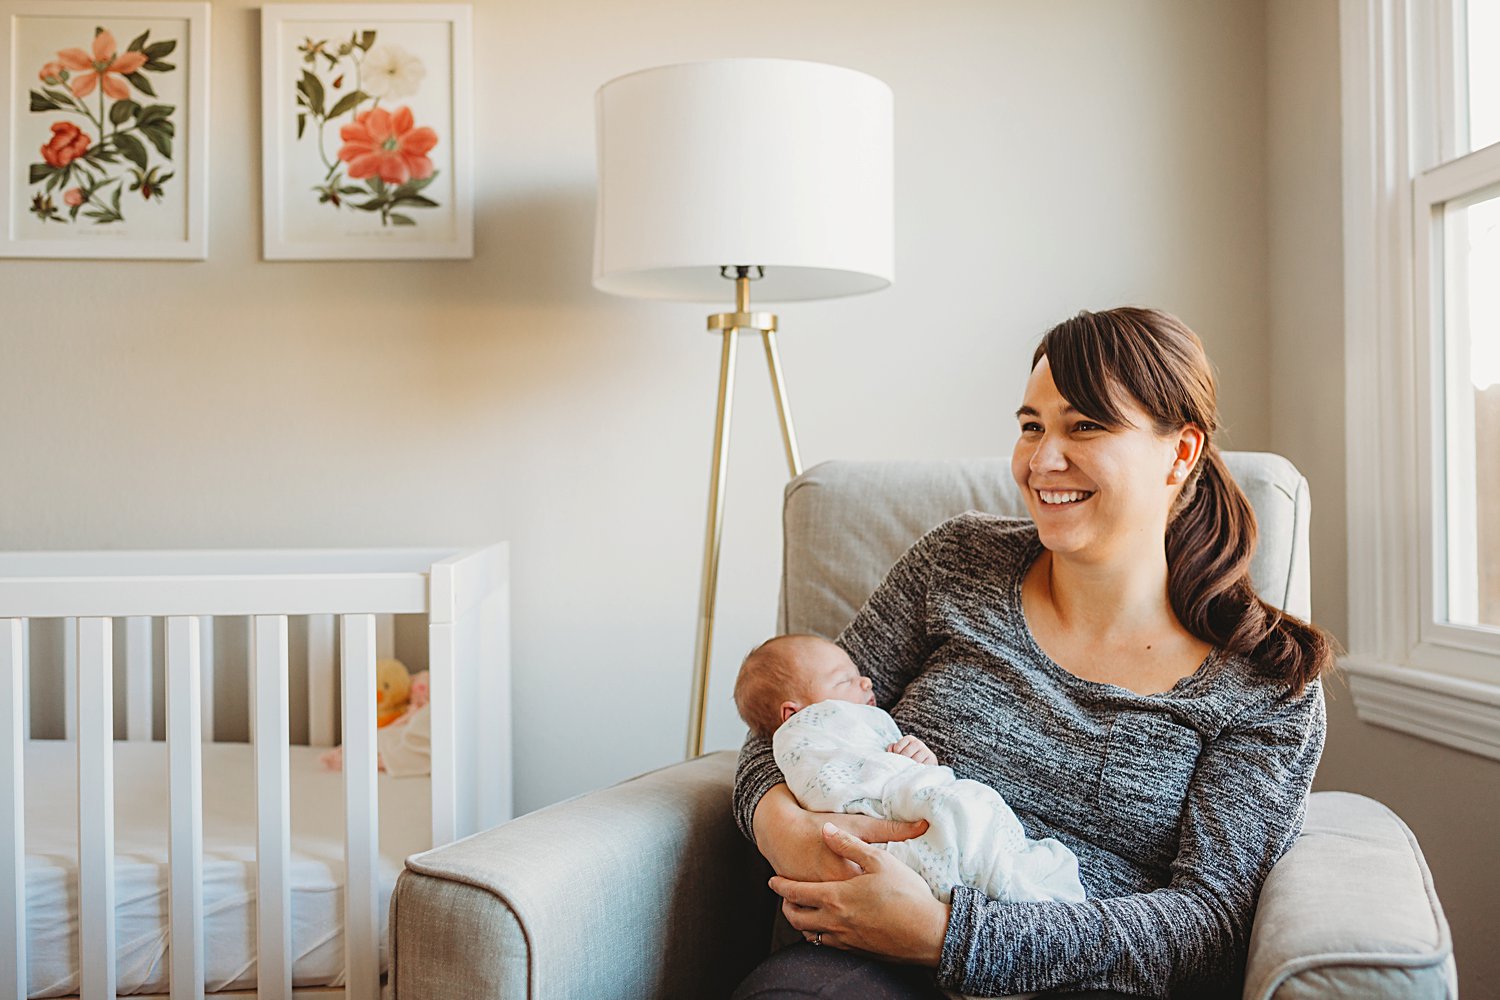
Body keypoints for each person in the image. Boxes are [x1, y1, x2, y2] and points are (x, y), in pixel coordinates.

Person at [730, 307, 1332, 1000]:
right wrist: (788, 832)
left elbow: (1212, 925)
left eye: (1084, 426)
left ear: (1181, 452)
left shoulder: (1265, 683)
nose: (1042, 460)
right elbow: (795, 718)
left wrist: (945, 935)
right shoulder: (959, 561)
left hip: (1077, 979)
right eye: (1031, 426)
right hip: (860, 959)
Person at [733, 633, 1086, 905]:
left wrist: (915, 762)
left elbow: (886, 765)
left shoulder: (848, 720)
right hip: (887, 841)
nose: (867, 682)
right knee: (961, 822)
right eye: (844, 681)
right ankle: (1011, 886)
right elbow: (833, 782)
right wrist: (783, 827)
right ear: (794, 715)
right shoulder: (809, 734)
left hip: (918, 815)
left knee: (968, 815)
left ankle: (1014, 897)